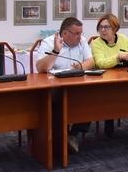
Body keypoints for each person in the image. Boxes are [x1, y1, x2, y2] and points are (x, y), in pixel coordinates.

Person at [35, 17, 95, 154]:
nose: (80, 36)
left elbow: (91, 61)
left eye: (81, 33)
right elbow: (40, 68)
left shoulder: (82, 41)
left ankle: (73, 134)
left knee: (91, 96)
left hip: (77, 85)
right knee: (58, 102)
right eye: (77, 33)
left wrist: (81, 66)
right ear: (65, 33)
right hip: (55, 87)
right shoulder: (48, 42)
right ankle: (60, 136)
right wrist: (56, 51)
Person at [91, 14, 128, 140]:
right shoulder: (96, 43)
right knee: (111, 96)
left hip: (126, 77)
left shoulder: (123, 38)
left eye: (106, 27)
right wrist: (118, 57)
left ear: (115, 29)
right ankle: (109, 126)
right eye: (100, 27)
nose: (103, 30)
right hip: (106, 80)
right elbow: (100, 63)